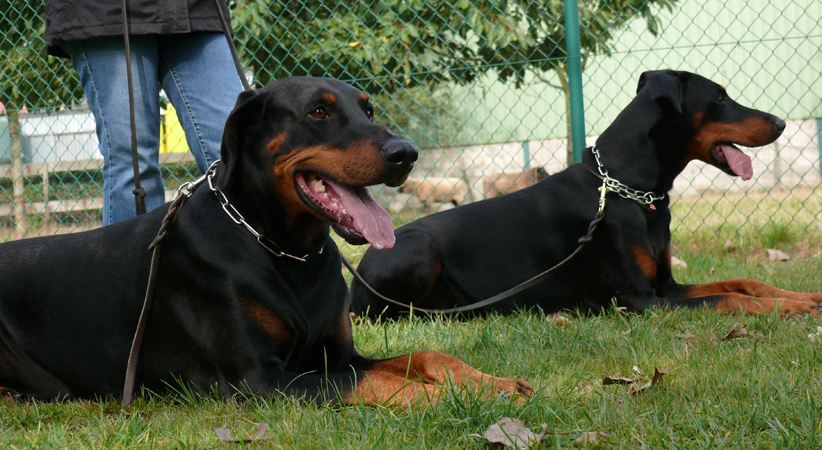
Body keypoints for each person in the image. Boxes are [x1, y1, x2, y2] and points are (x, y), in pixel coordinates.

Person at [44, 0, 244, 225]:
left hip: (195, 9)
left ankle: (259, 258)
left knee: (237, 150)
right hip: (106, 13)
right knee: (134, 168)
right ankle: (136, 260)